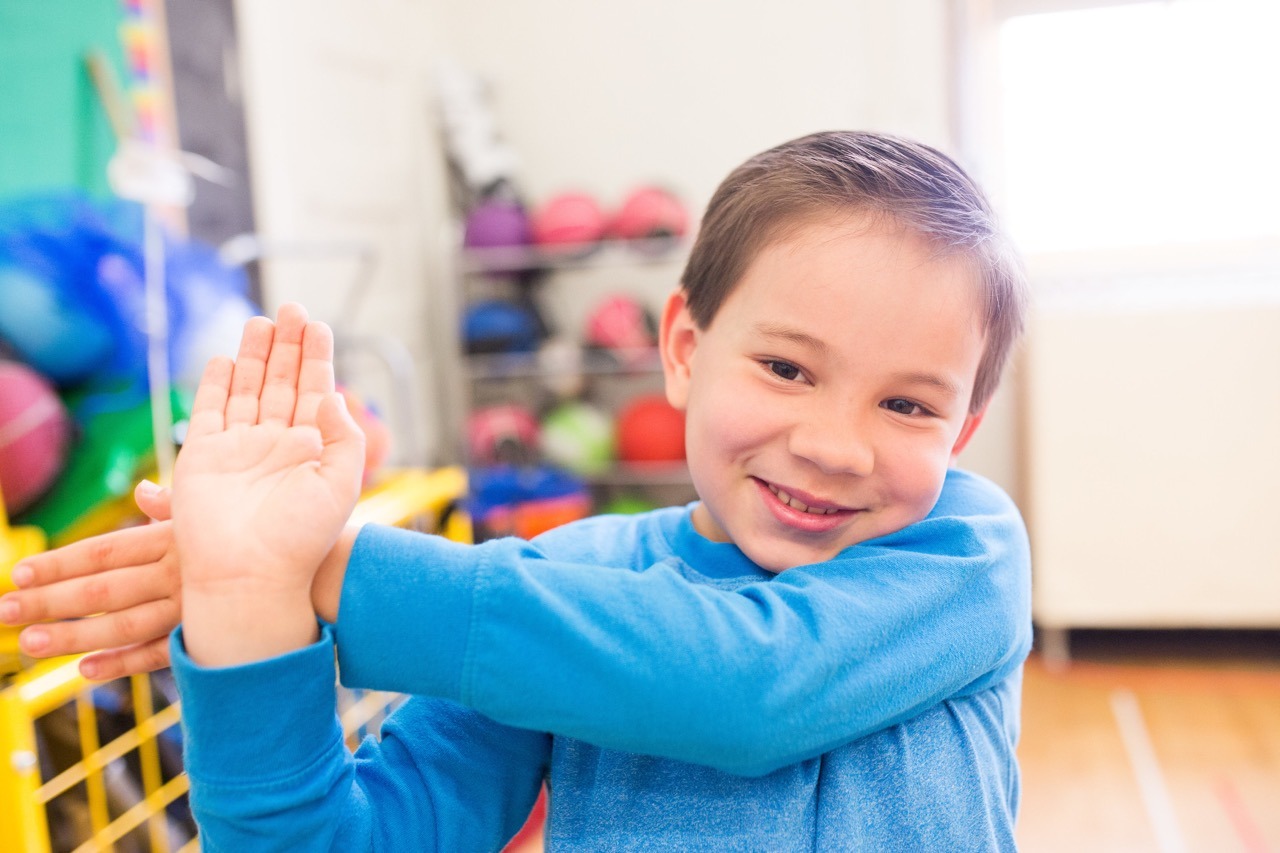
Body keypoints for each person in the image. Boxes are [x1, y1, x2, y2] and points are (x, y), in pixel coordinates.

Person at [2, 131, 1031, 850]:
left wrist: (323, 573)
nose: (835, 444)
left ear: (962, 432)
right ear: (681, 349)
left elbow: (746, 683)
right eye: (786, 369)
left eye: (906, 406)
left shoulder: (962, 551)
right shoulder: (564, 590)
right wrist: (243, 608)